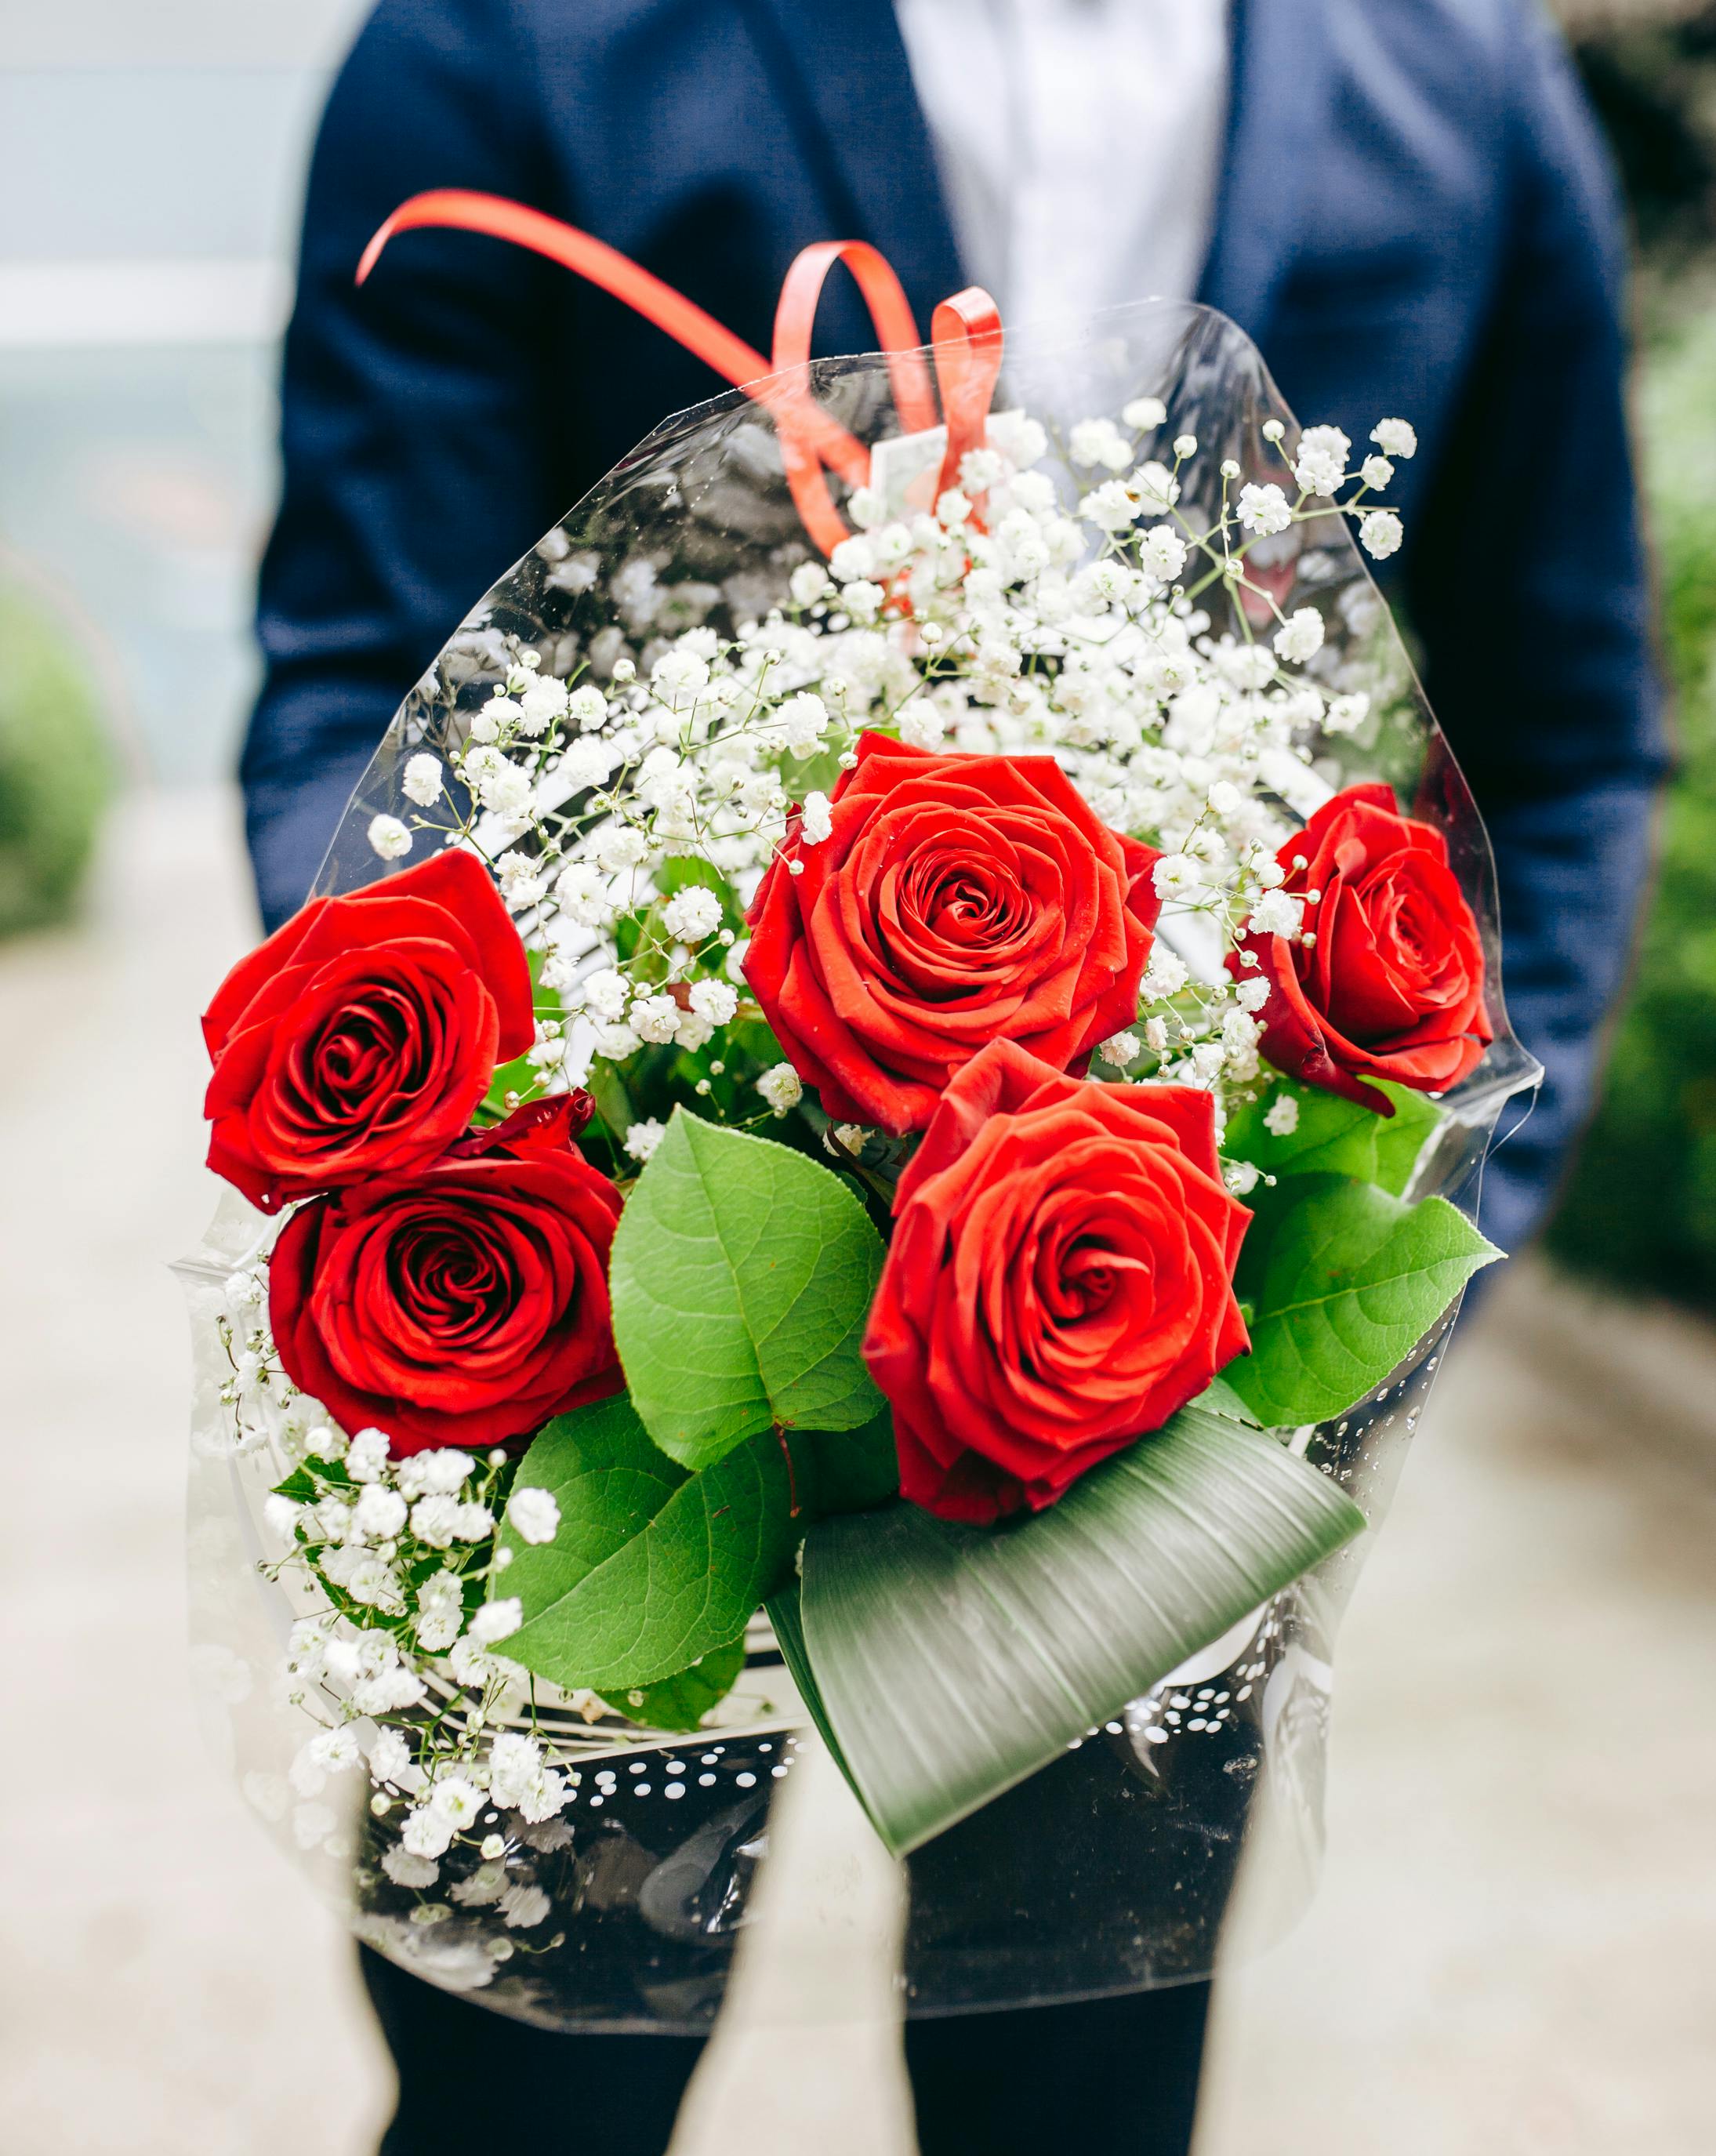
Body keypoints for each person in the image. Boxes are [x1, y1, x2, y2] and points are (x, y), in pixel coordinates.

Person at [242, 2, 1667, 2150]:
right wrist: (483, 1151)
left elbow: (1567, 720)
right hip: (596, 1354)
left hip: (1167, 1338)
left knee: (1077, 2090)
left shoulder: (1460, 70)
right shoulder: (503, 40)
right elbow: (361, 675)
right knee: (522, 2094)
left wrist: (1428, 1239)